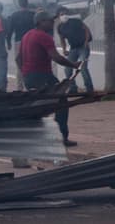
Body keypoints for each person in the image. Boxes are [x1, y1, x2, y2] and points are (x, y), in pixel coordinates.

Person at [18, 11, 81, 147]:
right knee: (61, 103)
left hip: (30, 77)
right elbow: (56, 57)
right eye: (49, 21)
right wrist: (73, 64)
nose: (52, 23)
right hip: (42, 76)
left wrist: (24, 74)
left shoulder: (26, 35)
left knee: (38, 107)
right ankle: (61, 137)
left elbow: (18, 59)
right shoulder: (44, 37)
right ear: (40, 22)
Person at [56, 6, 94, 93]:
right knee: (67, 69)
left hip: (82, 47)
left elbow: (86, 30)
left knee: (83, 67)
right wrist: (64, 49)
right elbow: (62, 39)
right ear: (58, 16)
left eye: (65, 13)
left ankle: (89, 88)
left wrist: (86, 42)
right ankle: (73, 88)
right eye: (61, 14)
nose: (64, 16)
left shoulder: (76, 21)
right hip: (73, 49)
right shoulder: (60, 27)